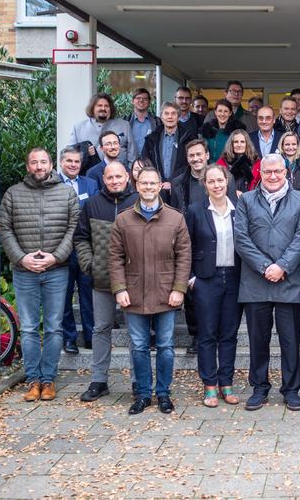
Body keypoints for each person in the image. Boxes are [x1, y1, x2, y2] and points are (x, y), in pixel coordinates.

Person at [0, 147, 79, 402]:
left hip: (57, 269)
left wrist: (57, 256)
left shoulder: (66, 192)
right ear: (27, 166)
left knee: (54, 328)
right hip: (25, 271)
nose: (39, 166)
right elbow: (4, 227)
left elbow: (74, 227)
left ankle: (49, 380)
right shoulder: (14, 193)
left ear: (51, 164)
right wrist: (22, 258)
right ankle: (33, 380)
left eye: (43, 162)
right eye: (34, 162)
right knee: (31, 328)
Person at [109, 166, 191, 415]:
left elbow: (184, 256)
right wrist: (119, 288)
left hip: (167, 292)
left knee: (165, 346)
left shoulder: (175, 218)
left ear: (159, 186)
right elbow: (114, 257)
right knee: (139, 345)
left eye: (152, 184)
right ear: (136, 186)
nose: (147, 188)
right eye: (143, 183)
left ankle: (164, 393)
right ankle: (143, 394)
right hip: (133, 293)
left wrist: (179, 289)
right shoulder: (123, 219)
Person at [235, 153, 300, 411]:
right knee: (258, 340)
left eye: (278, 171)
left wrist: (282, 266)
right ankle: (259, 388)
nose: (273, 176)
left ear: (286, 172)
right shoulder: (246, 200)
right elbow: (241, 239)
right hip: (256, 281)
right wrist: (266, 267)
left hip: (289, 281)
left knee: (290, 340)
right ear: (261, 173)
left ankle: (291, 390)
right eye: (268, 172)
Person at [75, 161, 139, 402]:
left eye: (118, 176)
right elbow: (81, 238)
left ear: (127, 177)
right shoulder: (92, 204)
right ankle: (99, 380)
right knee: (101, 329)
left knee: (136, 332)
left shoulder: (137, 203)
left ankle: (138, 381)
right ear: (103, 178)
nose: (114, 181)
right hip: (101, 279)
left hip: (133, 279)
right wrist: (89, 265)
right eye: (110, 177)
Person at [172, 139, 237, 354]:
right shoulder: (179, 182)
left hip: (220, 245)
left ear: (207, 155)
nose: (195, 158)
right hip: (192, 238)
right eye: (191, 155)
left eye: (199, 154)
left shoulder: (225, 179)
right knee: (193, 302)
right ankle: (196, 336)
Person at [185, 164, 242, 408]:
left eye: (220, 180)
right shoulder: (195, 211)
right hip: (206, 279)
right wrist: (190, 277)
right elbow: (184, 245)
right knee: (207, 334)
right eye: (212, 182)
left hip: (234, 278)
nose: (217, 185)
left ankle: (226, 383)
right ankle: (209, 385)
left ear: (227, 181)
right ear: (205, 185)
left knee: (229, 334)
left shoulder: (239, 209)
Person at [57, 146, 99, 354]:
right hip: (61, 250)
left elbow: (96, 212)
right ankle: (69, 339)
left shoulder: (90, 184)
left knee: (87, 295)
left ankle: (91, 337)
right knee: (64, 297)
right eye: (69, 161)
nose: (73, 165)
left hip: (85, 248)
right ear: (61, 162)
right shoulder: (52, 184)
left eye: (76, 161)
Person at [70, 92, 134, 167]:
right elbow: (70, 153)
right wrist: (85, 153)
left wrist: (129, 174)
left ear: (110, 109)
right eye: (99, 105)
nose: (103, 108)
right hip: (89, 176)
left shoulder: (124, 125)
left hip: (119, 174)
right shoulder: (78, 128)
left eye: (106, 106)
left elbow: (132, 155)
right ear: (92, 108)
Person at [142, 101, 198, 186]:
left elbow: (192, 163)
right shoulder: (151, 139)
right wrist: (156, 180)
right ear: (161, 117)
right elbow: (145, 162)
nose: (170, 117)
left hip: (181, 185)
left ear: (178, 117)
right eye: (166, 114)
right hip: (157, 186)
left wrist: (173, 182)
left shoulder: (189, 138)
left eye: (173, 114)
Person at [218, 129, 261, 194]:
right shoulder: (222, 162)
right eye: (236, 142)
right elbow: (219, 184)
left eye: (242, 142)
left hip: (251, 199)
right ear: (231, 144)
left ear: (247, 144)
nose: (239, 145)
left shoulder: (256, 162)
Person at [123, 88, 159, 162]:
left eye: (145, 99)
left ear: (149, 102)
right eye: (138, 98)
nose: (141, 101)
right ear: (132, 101)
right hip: (130, 164)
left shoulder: (158, 122)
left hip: (151, 163)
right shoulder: (125, 121)